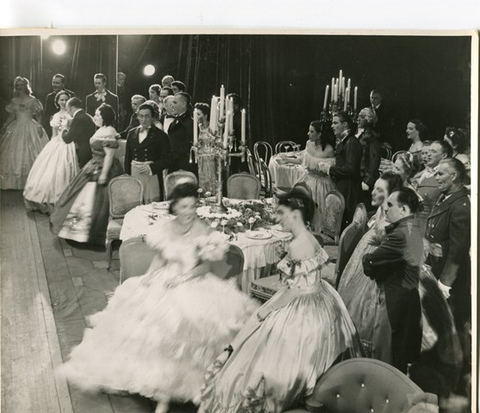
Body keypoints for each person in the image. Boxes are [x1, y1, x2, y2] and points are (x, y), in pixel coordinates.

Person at [58, 182, 258, 413]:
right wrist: (149, 276)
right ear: (175, 207)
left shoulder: (203, 230)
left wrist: (182, 279)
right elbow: (160, 259)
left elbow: (204, 269)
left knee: (186, 324)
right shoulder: (166, 228)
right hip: (165, 279)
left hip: (192, 281)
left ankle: (191, 391)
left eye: (193, 206)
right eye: (184, 207)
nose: (189, 211)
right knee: (150, 328)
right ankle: (161, 395)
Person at [200, 188, 363, 413]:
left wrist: (265, 312)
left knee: (261, 347)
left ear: (295, 215)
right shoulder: (311, 237)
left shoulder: (298, 245)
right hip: (320, 298)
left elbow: (293, 291)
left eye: (282, 213)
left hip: (302, 305)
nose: (277, 218)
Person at [337, 171, 404, 353]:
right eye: (373, 188)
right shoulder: (380, 212)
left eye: (379, 189)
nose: (372, 192)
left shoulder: (392, 221)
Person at [362, 187, 423, 373]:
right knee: (399, 354)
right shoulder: (412, 226)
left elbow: (369, 262)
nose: (385, 208)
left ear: (404, 210)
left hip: (393, 301)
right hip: (407, 298)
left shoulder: (399, 234)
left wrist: (374, 265)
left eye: (390, 205)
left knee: (385, 353)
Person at [425, 158, 470, 395]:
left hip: (450, 281)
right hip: (436, 268)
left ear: (454, 176)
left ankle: (453, 386)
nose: (437, 178)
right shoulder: (446, 198)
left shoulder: (461, 205)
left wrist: (444, 284)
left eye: (441, 174)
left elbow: (458, 251)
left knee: (449, 330)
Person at [50, 104, 123, 245]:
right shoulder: (101, 129)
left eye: (97, 115)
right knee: (81, 198)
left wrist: (104, 175)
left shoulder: (109, 130)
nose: (94, 117)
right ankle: (76, 231)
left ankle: (93, 236)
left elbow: (109, 156)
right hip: (93, 165)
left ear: (105, 117)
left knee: (97, 203)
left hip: (103, 169)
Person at [23, 91, 79, 213]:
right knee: (50, 172)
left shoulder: (73, 116)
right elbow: (54, 135)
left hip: (69, 144)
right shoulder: (55, 116)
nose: (63, 102)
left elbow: (73, 134)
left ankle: (66, 202)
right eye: (61, 100)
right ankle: (49, 201)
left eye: (65, 100)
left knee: (66, 170)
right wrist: (51, 149)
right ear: (57, 102)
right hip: (57, 143)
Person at [281, 120, 336, 232]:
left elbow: (330, 170)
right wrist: (286, 159)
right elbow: (302, 160)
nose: (308, 133)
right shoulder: (308, 144)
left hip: (321, 184)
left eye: (311, 131)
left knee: (316, 213)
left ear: (319, 134)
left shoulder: (329, 150)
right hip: (307, 179)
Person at [0, 76, 49, 189]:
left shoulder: (32, 100)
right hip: (16, 126)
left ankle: (32, 182)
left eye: (22, 85)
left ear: (26, 86)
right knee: (14, 153)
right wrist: (5, 125)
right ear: (15, 87)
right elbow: (12, 115)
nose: (19, 87)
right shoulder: (14, 100)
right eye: (17, 85)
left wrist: (40, 126)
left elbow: (38, 115)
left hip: (30, 126)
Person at [318, 111, 362, 230]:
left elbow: (351, 169)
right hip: (343, 186)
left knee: (346, 226)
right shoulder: (345, 140)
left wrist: (330, 169)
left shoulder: (351, 142)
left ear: (345, 125)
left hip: (349, 189)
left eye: (335, 123)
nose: (332, 126)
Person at [124, 102, 171, 202]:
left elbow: (167, 159)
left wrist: (151, 168)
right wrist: (128, 176)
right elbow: (128, 157)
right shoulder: (131, 133)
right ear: (137, 116)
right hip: (134, 174)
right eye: (141, 116)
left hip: (151, 176)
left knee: (152, 206)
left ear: (153, 118)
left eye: (147, 116)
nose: (144, 119)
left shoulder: (160, 135)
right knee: (135, 203)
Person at [412, 140, 452, 235]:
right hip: (418, 223)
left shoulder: (446, 176)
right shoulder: (427, 172)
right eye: (428, 151)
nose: (428, 155)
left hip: (432, 228)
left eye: (433, 152)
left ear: (444, 156)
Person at [356, 107, 382, 209]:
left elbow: (375, 160)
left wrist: (367, 181)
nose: (358, 119)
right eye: (358, 116)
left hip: (365, 178)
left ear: (368, 119)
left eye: (361, 117)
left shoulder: (372, 137)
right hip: (357, 176)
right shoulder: (357, 133)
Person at [61, 97, 96, 169]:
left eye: (67, 110)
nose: (67, 112)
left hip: (82, 152)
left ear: (72, 107)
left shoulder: (78, 119)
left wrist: (64, 129)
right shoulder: (87, 116)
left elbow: (67, 139)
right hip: (90, 150)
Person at [168, 92, 196, 174]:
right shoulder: (174, 121)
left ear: (183, 104)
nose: (172, 105)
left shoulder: (190, 123)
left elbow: (189, 145)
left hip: (184, 166)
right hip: (173, 164)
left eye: (175, 102)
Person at [43, 74, 76, 138]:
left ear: (63, 84)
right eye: (53, 83)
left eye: (57, 83)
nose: (54, 85)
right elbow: (47, 113)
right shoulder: (50, 97)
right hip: (55, 125)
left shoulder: (71, 95)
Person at [195, 103, 216, 194]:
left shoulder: (212, 129)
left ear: (206, 115)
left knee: (210, 179)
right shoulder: (196, 128)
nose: (196, 117)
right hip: (199, 157)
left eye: (198, 114)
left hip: (210, 157)